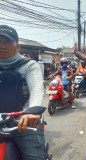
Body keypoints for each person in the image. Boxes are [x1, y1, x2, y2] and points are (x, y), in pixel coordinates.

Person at [0, 25, 45, 159]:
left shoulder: (30, 65)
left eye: (7, 41)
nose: (2, 45)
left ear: (18, 47)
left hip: (22, 123)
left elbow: (37, 88)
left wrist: (31, 112)